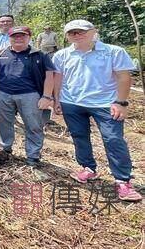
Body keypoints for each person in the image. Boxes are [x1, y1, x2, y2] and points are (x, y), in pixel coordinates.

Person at [53, 20, 141, 201]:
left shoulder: (113, 52)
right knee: (79, 136)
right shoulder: (62, 55)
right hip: (72, 102)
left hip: (106, 103)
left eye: (81, 31)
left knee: (113, 138)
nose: (77, 35)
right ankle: (88, 168)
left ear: (93, 31)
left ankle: (122, 180)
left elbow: (124, 77)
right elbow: (58, 78)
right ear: (67, 35)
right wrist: (57, 99)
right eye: (72, 32)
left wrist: (121, 102)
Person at [0, 26, 55, 167]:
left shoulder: (39, 54)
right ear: (9, 38)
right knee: (4, 123)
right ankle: (5, 149)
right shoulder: (0, 53)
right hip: (3, 94)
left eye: (22, 36)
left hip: (30, 95)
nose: (18, 39)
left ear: (29, 37)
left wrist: (47, 96)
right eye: (14, 36)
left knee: (33, 125)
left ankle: (33, 156)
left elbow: (49, 75)